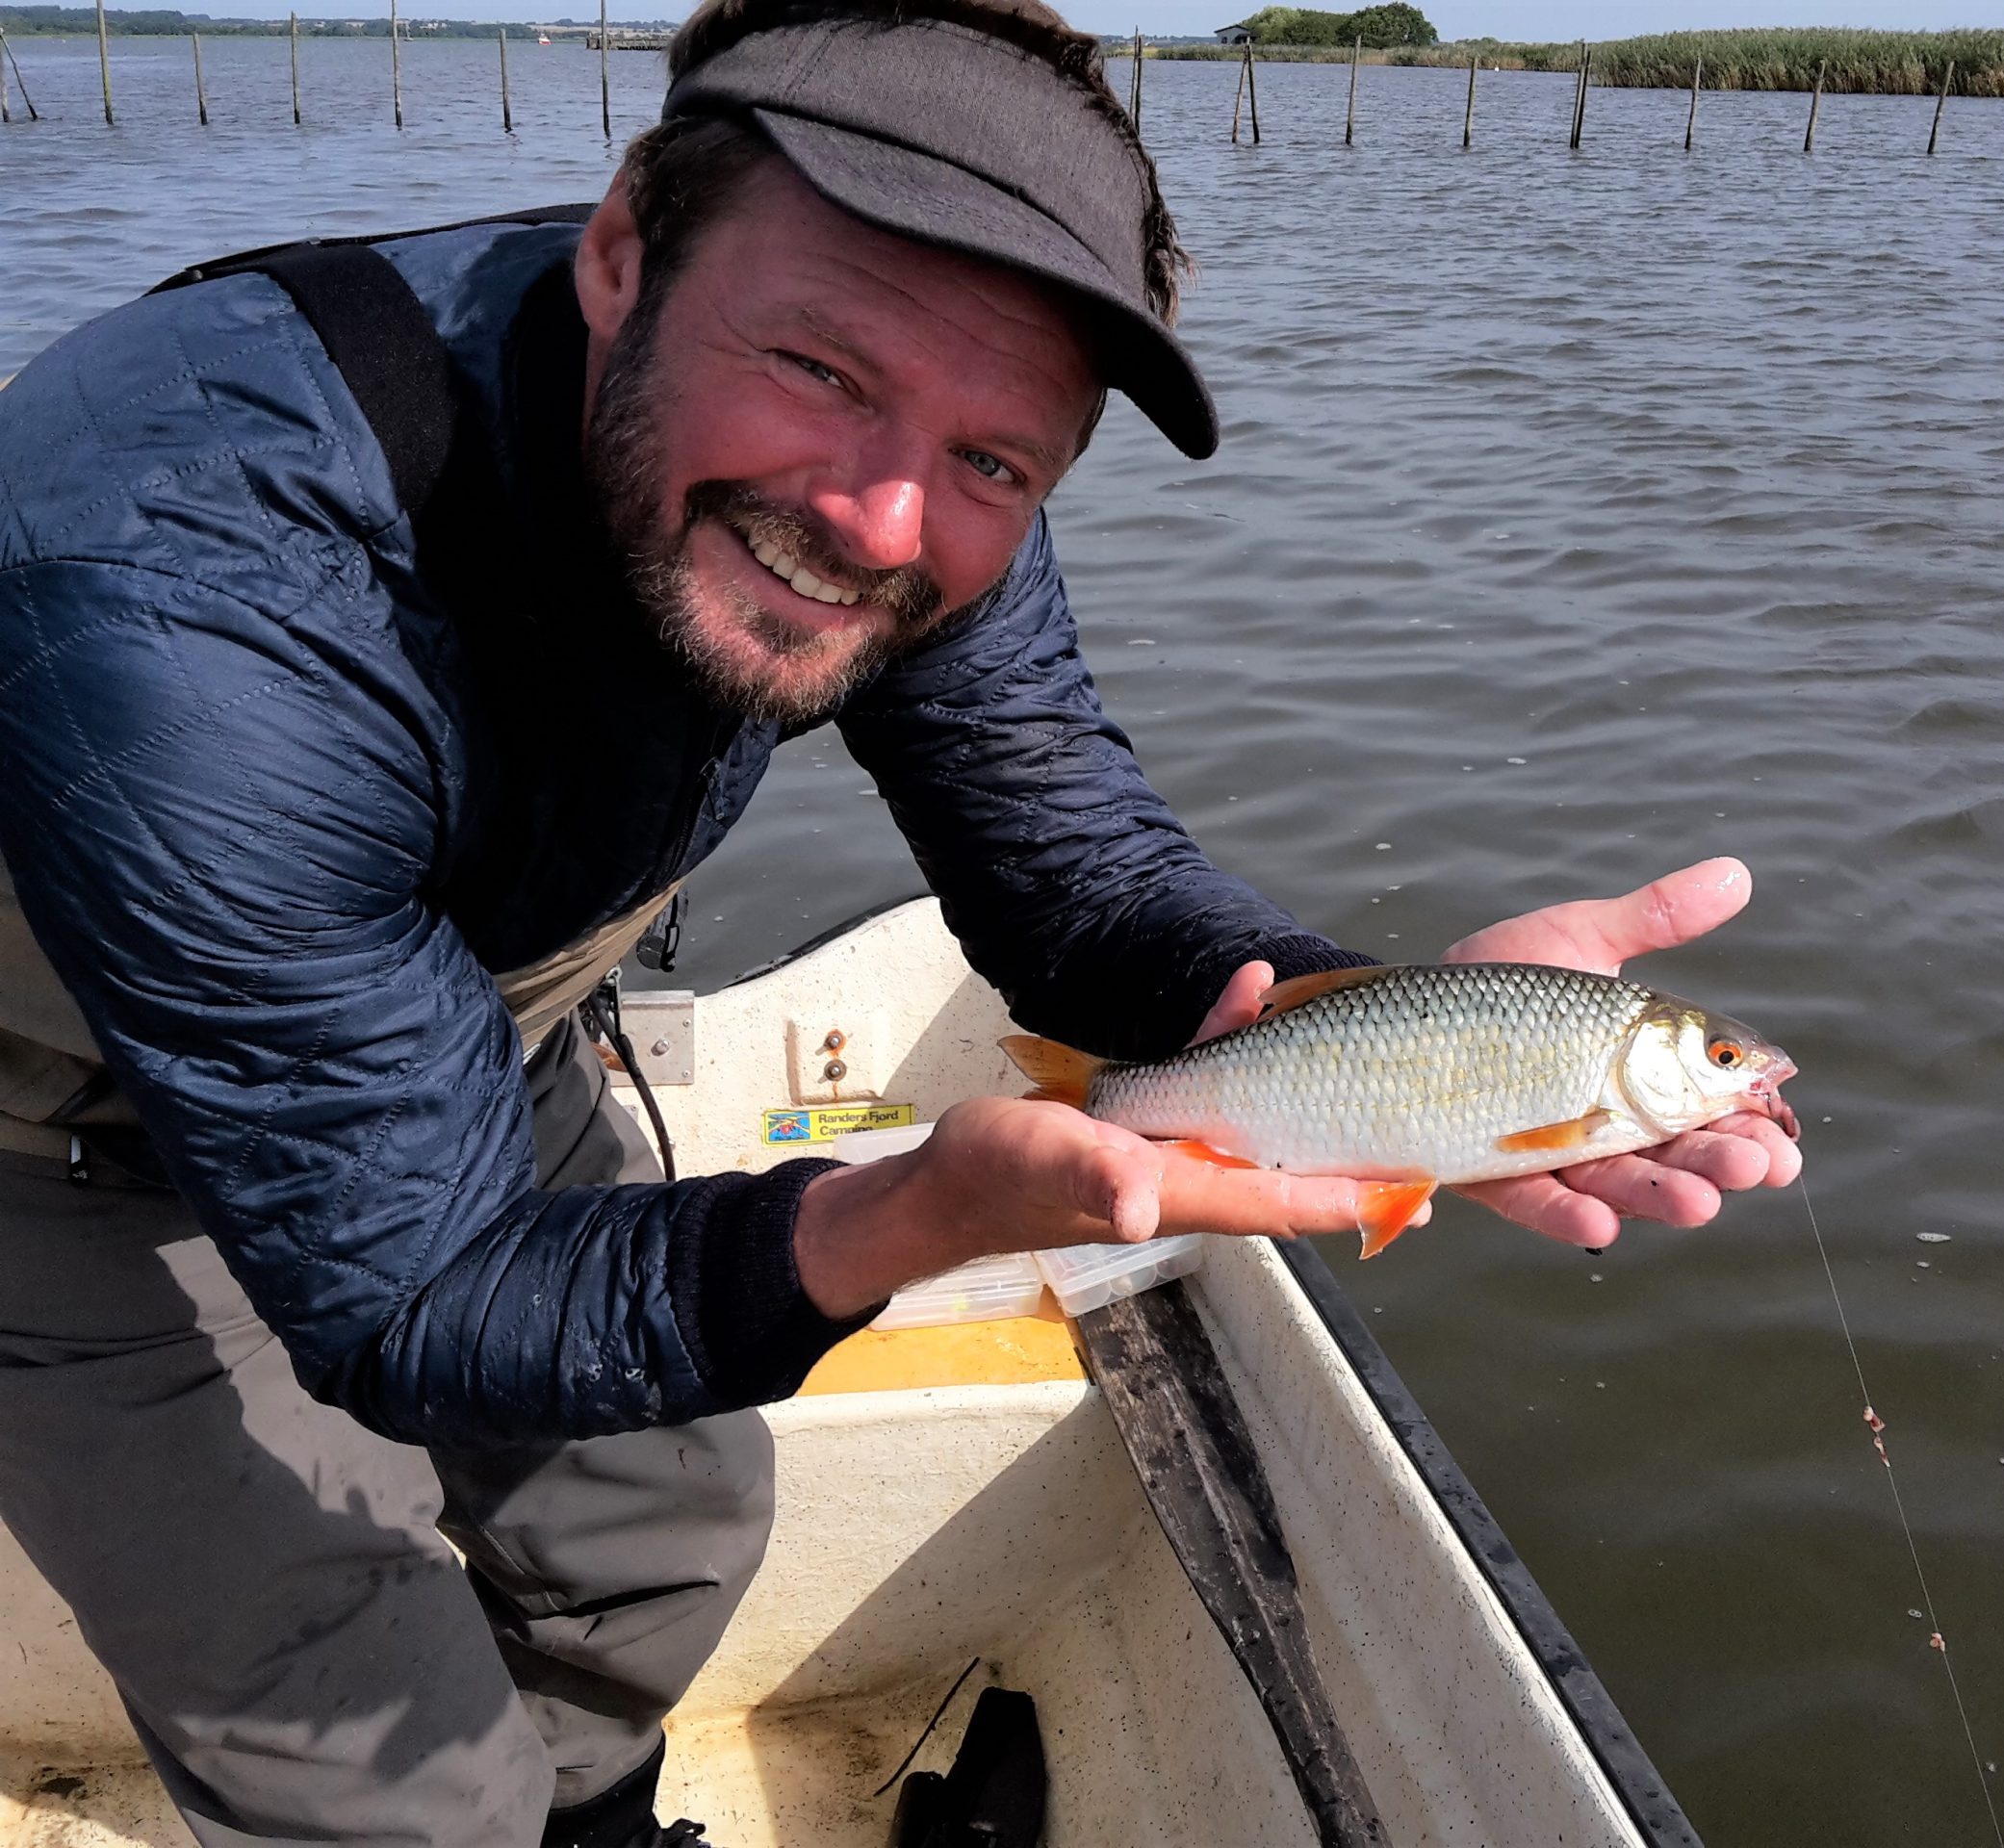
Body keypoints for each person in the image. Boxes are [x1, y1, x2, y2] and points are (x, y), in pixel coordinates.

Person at [0, 2, 1800, 1843]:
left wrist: (1378, 1026)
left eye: (997, 460)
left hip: (470, 1017)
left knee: (662, 1521)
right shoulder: (196, 580)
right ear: (619, 249)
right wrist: (914, 1211)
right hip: (65, 1133)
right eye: (818, 366)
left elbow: (1073, 868)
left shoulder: (934, 474)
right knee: (370, 1746)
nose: (877, 515)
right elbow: (424, 1292)